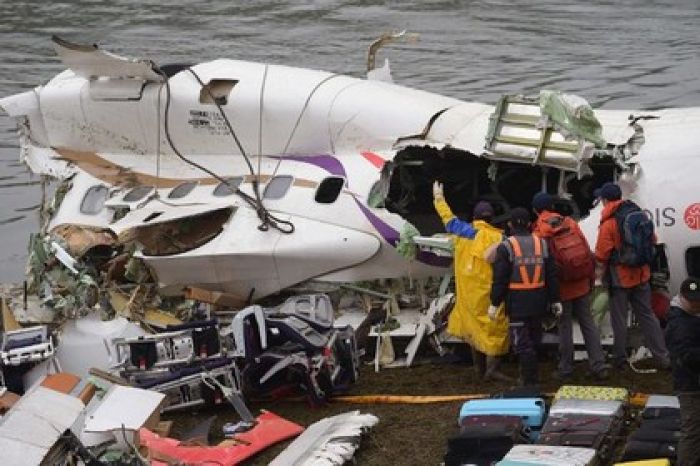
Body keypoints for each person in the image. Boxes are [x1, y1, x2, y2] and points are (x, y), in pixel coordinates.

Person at [433, 182, 511, 382]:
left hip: (467, 295)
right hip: (490, 295)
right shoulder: (499, 237)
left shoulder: (462, 232)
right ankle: (492, 369)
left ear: (475, 218)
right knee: (495, 331)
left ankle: (479, 368)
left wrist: (439, 199)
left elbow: (448, 220)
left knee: (473, 330)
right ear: (491, 217)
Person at [531, 192, 609, 381]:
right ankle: (598, 366)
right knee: (588, 324)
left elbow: (542, 264)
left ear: (536, 210)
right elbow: (586, 251)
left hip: (562, 287)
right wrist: (590, 278)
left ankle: (565, 369)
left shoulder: (539, 231)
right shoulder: (570, 223)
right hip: (581, 283)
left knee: (564, 327)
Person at [593, 182, 670, 369]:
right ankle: (663, 357)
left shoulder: (609, 222)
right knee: (647, 315)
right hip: (642, 274)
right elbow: (653, 240)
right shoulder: (638, 214)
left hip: (620, 278)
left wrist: (598, 277)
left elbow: (602, 254)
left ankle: (619, 358)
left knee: (618, 318)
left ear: (604, 200)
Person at [489, 207, 561, 386]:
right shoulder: (542, 244)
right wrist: (555, 299)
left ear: (510, 224)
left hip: (517, 304)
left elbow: (500, 278)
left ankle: (529, 382)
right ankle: (529, 377)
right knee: (534, 340)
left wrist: (494, 302)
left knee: (521, 344)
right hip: (539, 302)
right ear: (530, 224)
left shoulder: (506, 246)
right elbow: (552, 274)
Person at [664, 277, 700, 465]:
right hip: (690, 385)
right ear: (683, 298)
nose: (697, 304)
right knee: (692, 431)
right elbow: (686, 356)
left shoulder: (691, 315)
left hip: (693, 381)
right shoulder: (679, 325)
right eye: (693, 300)